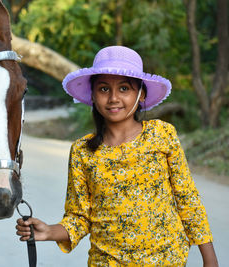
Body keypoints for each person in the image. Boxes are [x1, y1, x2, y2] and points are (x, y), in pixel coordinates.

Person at [16, 46, 219, 266]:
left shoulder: (162, 134)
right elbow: (79, 218)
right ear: (92, 95)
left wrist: (210, 259)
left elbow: (187, 199)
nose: (113, 98)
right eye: (104, 89)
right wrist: (49, 231)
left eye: (124, 88)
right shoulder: (82, 151)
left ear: (141, 94)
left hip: (166, 259)